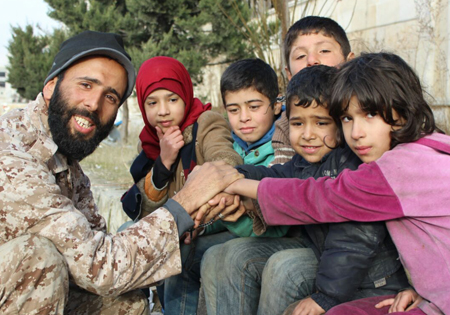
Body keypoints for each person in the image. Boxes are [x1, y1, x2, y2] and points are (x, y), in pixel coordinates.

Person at [0, 30, 242, 314]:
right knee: (37, 257)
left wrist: (224, 182)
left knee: (127, 302)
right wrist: (184, 203)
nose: (94, 105)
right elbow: (99, 264)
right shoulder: (13, 153)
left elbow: (97, 244)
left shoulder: (66, 163)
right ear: (52, 86)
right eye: (86, 84)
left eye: (111, 97)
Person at [222, 52, 449, 315]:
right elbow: (284, 176)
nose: (356, 133)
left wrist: (234, 182)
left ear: (403, 109)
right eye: (347, 118)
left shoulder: (401, 168)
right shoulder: (428, 146)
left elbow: (321, 197)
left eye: (371, 114)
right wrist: (423, 288)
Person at [156, 58, 289, 314]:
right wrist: (200, 226)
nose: (244, 118)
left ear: (275, 105)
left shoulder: (283, 149)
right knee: (178, 251)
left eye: (254, 106)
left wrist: (227, 210)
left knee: (211, 257)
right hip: (235, 230)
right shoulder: (230, 144)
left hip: (265, 235)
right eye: (234, 109)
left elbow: (273, 220)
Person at [120, 56, 243, 315]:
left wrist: (195, 219)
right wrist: (163, 162)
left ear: (186, 96)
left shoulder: (206, 123)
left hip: (214, 224)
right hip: (176, 226)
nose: (162, 110)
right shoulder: (150, 143)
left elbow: (225, 160)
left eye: (172, 99)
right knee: (125, 234)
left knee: (176, 250)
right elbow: (144, 212)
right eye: (152, 103)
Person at [270, 15, 354, 166]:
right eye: (301, 55)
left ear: (349, 62)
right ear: (289, 74)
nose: (311, 60)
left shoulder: (367, 112)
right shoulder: (286, 125)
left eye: (324, 50)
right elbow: (280, 177)